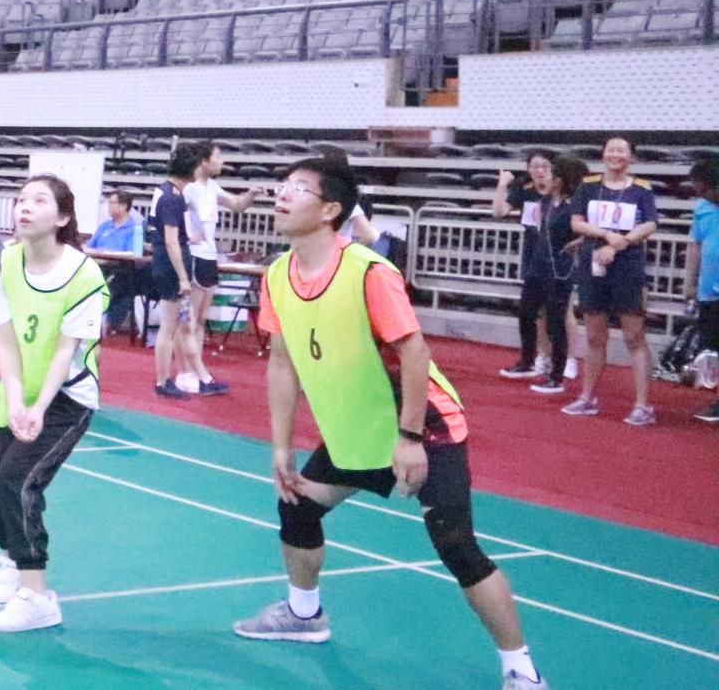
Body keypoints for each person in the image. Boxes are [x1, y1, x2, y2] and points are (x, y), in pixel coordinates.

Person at [233, 155, 551, 690]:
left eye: (298, 188)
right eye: (282, 185)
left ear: (330, 210)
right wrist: (281, 447)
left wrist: (408, 438)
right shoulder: (277, 276)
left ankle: (522, 670)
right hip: (355, 427)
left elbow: (414, 352)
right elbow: (283, 364)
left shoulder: (368, 272)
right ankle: (304, 615)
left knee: (455, 544)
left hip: (425, 426)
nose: (282, 195)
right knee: (297, 507)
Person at [0, 174, 108, 633]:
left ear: (63, 217)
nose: (24, 207)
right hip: (16, 389)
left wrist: (38, 407)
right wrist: (15, 400)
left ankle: (38, 596)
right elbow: (5, 342)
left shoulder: (84, 274)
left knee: (17, 480)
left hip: (65, 396)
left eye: (39, 200)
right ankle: (12, 558)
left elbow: (66, 351)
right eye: (21, 199)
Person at [565, 135, 659, 426]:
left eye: (622, 151)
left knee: (634, 336)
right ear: (603, 154)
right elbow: (576, 222)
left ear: (631, 157)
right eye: (611, 150)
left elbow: (650, 224)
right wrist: (605, 235)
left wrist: (621, 243)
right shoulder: (588, 185)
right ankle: (587, 397)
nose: (615, 155)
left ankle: (643, 405)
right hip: (592, 264)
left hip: (627, 268)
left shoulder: (642, 189)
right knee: (594, 336)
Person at [490, 152, 579, 389]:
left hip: (559, 264)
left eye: (546, 168)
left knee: (559, 317)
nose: (540, 173)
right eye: (534, 166)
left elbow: (587, 228)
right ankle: (534, 359)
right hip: (537, 259)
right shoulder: (539, 198)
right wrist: (502, 185)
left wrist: (577, 243)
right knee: (529, 312)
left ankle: (563, 367)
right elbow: (500, 212)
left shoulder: (571, 203)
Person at [182, 141, 258, 395]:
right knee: (189, 320)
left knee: (201, 319)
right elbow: (172, 217)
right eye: (218, 156)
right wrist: (187, 236)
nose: (222, 161)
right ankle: (187, 373)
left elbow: (237, 205)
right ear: (204, 161)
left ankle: (196, 372)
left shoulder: (212, 187)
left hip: (209, 256)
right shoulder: (189, 188)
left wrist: (251, 194)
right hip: (194, 256)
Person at [150, 142, 221, 399]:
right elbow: (170, 241)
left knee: (185, 324)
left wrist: (188, 239)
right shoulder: (172, 197)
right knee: (169, 329)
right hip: (171, 269)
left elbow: (169, 235)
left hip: (168, 263)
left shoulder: (167, 191)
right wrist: (182, 278)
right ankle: (162, 381)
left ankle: (201, 378)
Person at [687, 153, 719, 424]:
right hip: (708, 289)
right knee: (712, 350)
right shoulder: (702, 208)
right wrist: (691, 283)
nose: (701, 194)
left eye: (705, 189)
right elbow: (696, 245)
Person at [88, 190, 147, 333]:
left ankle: (107, 322)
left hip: (121, 269)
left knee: (120, 286)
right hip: (98, 266)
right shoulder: (104, 226)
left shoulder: (134, 229)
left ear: (124, 206)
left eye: (112, 203)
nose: (109, 206)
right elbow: (90, 246)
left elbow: (131, 253)